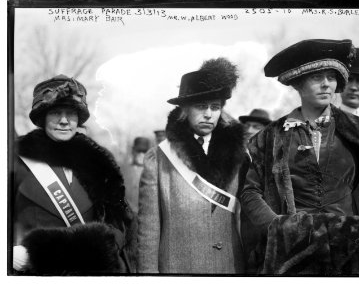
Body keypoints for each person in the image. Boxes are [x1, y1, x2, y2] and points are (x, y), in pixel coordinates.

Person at [240, 39, 359, 275]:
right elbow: (250, 192)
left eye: (331, 77)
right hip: (290, 258)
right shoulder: (268, 138)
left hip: (351, 255)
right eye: (317, 78)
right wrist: (279, 228)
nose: (326, 85)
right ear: (298, 83)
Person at [12, 75, 136, 275]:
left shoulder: (101, 163)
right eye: (56, 112)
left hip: (91, 274)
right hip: (33, 274)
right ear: (42, 117)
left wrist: (107, 246)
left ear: (79, 119)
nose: (63, 121)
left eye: (71, 113)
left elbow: (121, 221)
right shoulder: (14, 159)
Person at [137, 58, 246, 274]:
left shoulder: (240, 155)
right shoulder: (159, 158)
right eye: (200, 106)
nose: (208, 114)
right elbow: (148, 231)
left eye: (215, 107)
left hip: (230, 269)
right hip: (179, 271)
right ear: (184, 110)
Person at [123, 137, 151, 212]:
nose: (141, 154)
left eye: (144, 151)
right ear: (133, 150)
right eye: (139, 151)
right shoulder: (123, 169)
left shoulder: (152, 172)